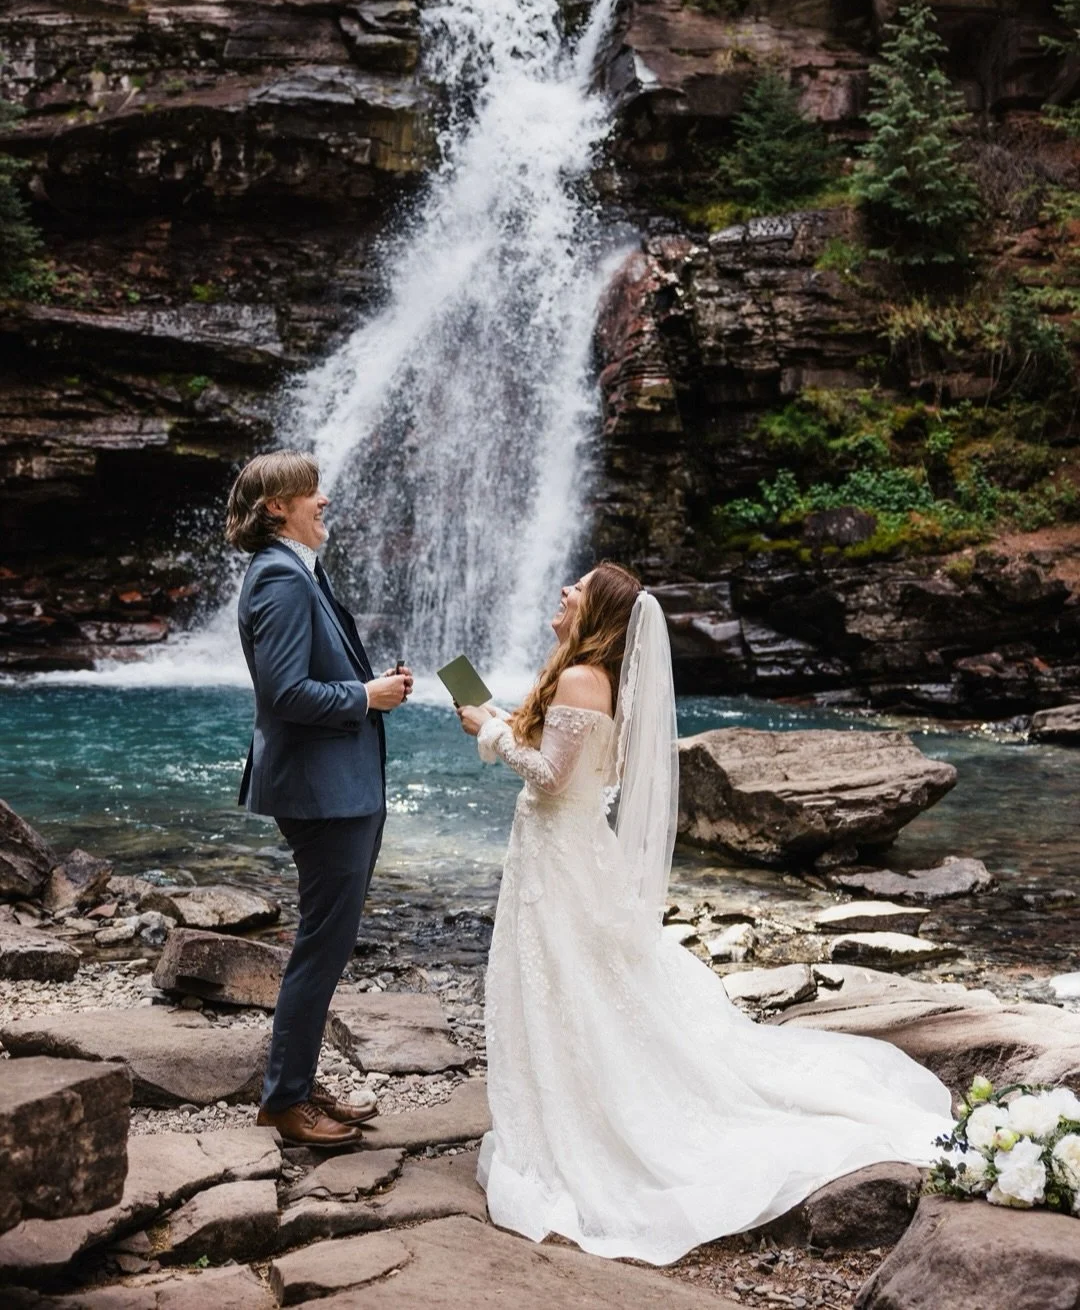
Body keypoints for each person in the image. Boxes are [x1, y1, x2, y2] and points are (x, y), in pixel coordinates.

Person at [456, 560, 953, 1266]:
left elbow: (550, 776)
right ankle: (566, 1108)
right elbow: (597, 770)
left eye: (578, 587)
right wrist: (510, 726)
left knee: (567, 988)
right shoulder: (601, 680)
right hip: (570, 853)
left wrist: (489, 729)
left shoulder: (577, 679)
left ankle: (574, 1126)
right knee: (582, 989)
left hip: (559, 862)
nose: (564, 591)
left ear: (596, 611)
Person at [226, 450, 412, 1148]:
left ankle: (297, 1083)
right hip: (322, 791)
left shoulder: (299, 572)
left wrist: (372, 688)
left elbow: (309, 678)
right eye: (311, 492)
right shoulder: (279, 578)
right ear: (277, 507)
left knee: (326, 944)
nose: (324, 500)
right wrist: (366, 696)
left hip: (337, 784)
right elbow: (283, 694)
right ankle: (285, 1099)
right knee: (321, 947)